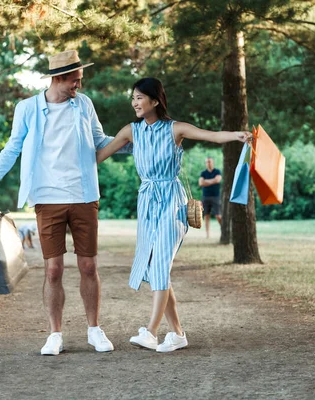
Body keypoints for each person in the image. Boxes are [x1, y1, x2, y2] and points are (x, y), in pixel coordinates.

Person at [0, 50, 131, 356]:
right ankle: (55, 334)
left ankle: (94, 330)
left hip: (84, 195)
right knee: (53, 270)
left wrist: (135, 142)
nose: (79, 86)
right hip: (47, 199)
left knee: (88, 265)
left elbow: (101, 141)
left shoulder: (84, 105)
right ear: (59, 78)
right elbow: (12, 149)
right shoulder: (28, 109)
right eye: (75, 80)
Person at [96, 77, 249, 352]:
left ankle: (151, 331)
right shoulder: (131, 131)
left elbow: (210, 135)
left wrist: (237, 135)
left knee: (161, 262)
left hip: (173, 201)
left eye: (140, 97)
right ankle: (177, 334)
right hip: (147, 202)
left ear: (155, 100)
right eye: (133, 97)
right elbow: (98, 156)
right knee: (157, 267)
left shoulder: (175, 129)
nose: (134, 102)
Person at [199, 157, 222, 239]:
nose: (208, 163)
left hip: (216, 196)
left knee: (218, 216)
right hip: (205, 197)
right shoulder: (203, 173)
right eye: (207, 162)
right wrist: (213, 181)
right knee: (206, 216)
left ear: (213, 162)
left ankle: (223, 230)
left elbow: (218, 180)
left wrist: (206, 182)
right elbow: (201, 183)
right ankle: (207, 234)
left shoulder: (217, 171)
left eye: (210, 162)